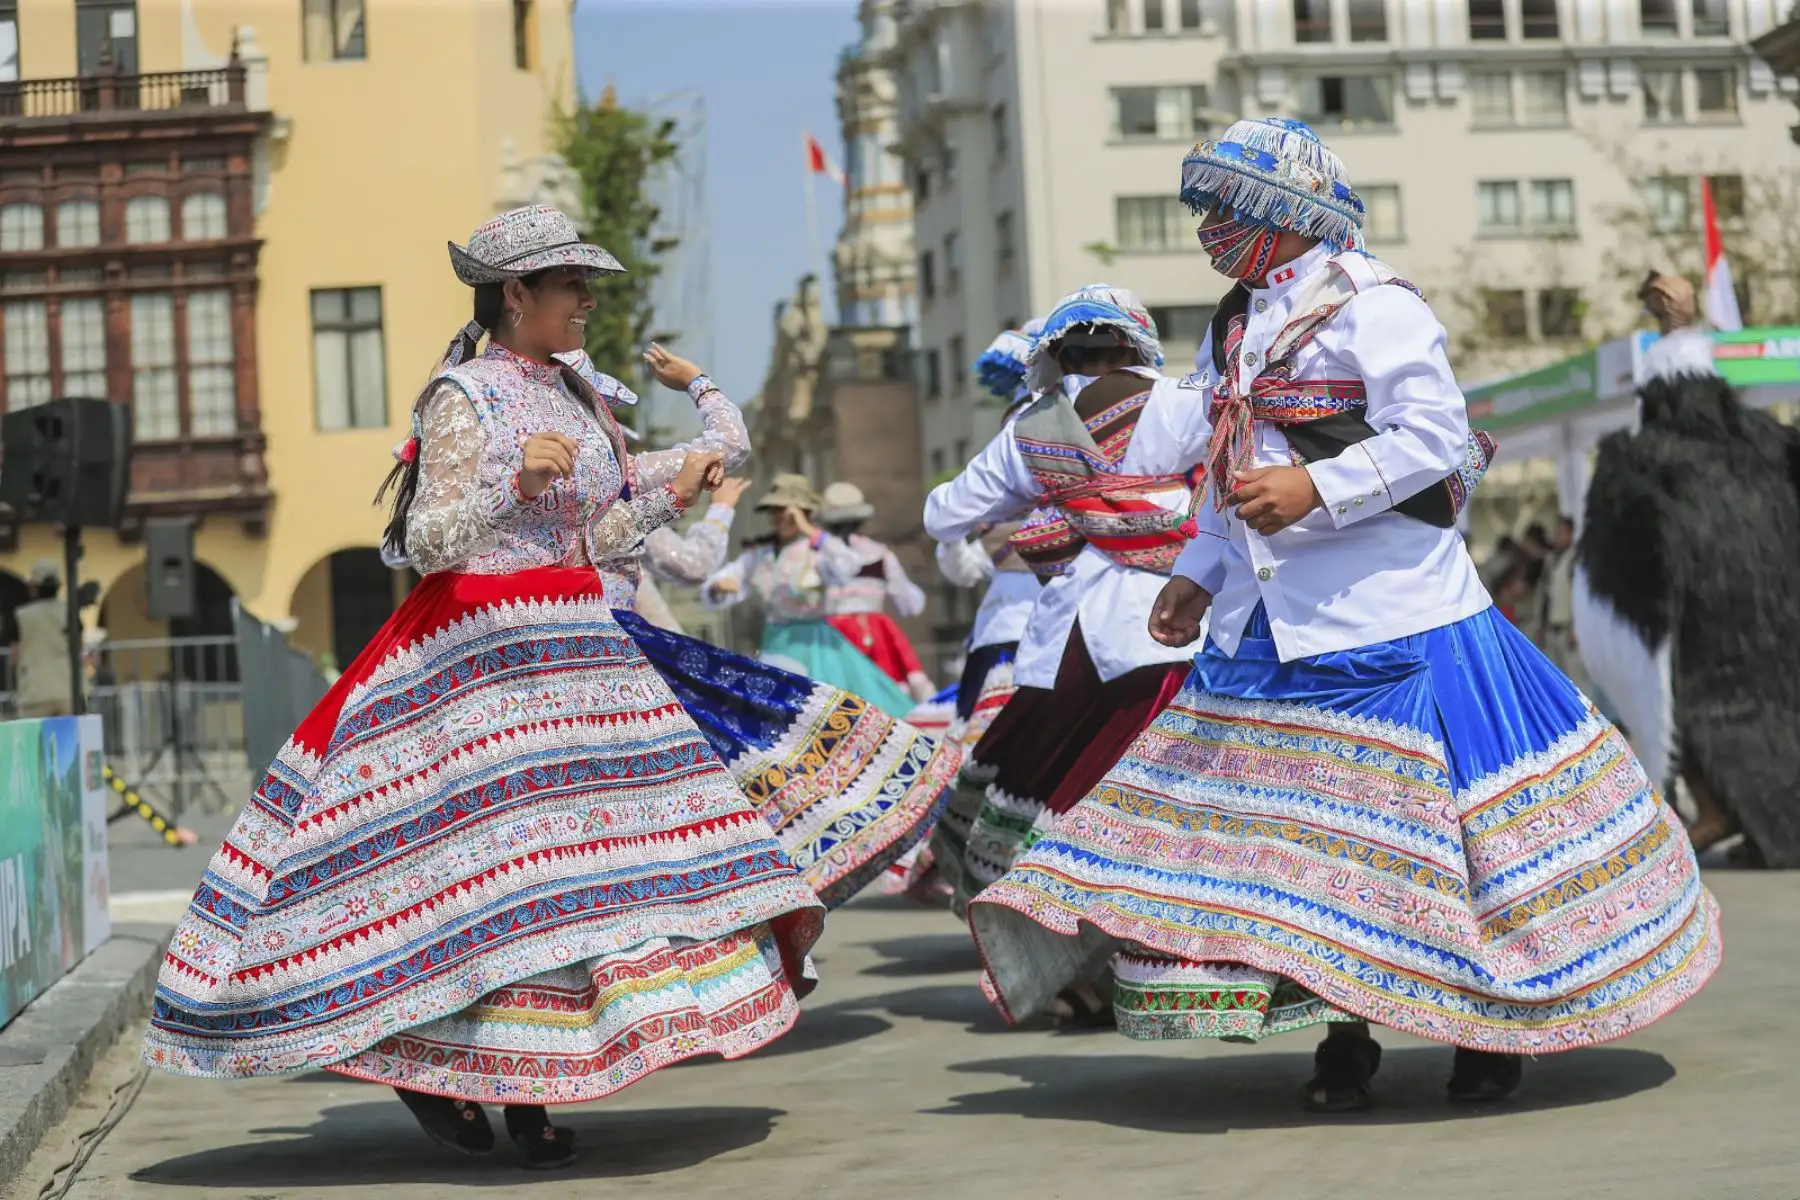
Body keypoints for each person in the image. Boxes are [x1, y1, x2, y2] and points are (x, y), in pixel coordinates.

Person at [968, 119, 1720, 1110]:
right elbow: (1228, 464)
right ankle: (1342, 1035)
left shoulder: (1379, 306)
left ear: (1285, 211)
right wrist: (1198, 569)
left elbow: (1436, 438)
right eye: (1205, 211)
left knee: (1459, 851)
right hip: (1269, 627)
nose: (1207, 229)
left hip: (1400, 619)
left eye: (1223, 210)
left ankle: (1487, 1033)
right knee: (1300, 858)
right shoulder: (1233, 323)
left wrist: (1318, 490)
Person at [143, 206, 828, 1171]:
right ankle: (474, 1076)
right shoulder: (461, 394)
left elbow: (609, 531)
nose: (588, 301)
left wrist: (667, 494)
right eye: (569, 285)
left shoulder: (585, 396)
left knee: (592, 870)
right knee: (506, 882)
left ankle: (546, 1074)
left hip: (581, 650)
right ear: (516, 295)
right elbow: (426, 542)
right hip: (486, 661)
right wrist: (513, 483)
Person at [924, 285, 1209, 979]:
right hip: (1180, 628)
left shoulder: (1031, 427)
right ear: (1137, 343)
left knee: (1059, 803)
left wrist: (1064, 503)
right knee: (1183, 801)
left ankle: (1066, 967)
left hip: (1070, 646)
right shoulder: (1187, 403)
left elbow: (942, 515)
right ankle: (1180, 955)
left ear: (1054, 357)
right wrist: (1165, 499)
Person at [1575, 272, 1800, 867]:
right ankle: (1762, 829)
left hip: (1703, 631)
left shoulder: (1640, 459)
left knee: (1701, 721)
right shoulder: (1771, 445)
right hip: (1779, 626)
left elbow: (1617, 557)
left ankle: (1719, 814)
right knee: (1779, 715)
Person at [701, 475, 917, 718]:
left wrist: (810, 530)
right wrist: (719, 587)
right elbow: (723, 581)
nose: (779, 518)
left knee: (829, 713)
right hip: (776, 642)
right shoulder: (760, 555)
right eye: (774, 511)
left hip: (814, 646)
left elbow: (847, 567)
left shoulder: (818, 550)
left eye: (785, 511)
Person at [819, 480, 937, 703]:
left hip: (833, 636)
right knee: (883, 700)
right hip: (872, 634)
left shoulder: (820, 554)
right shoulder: (880, 554)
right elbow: (910, 604)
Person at [11, 560, 73, 718]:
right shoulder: (70, 611)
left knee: (34, 740)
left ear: (34, 587)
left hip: (35, 691)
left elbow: (15, 656)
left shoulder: (21, 616)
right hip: (69, 688)